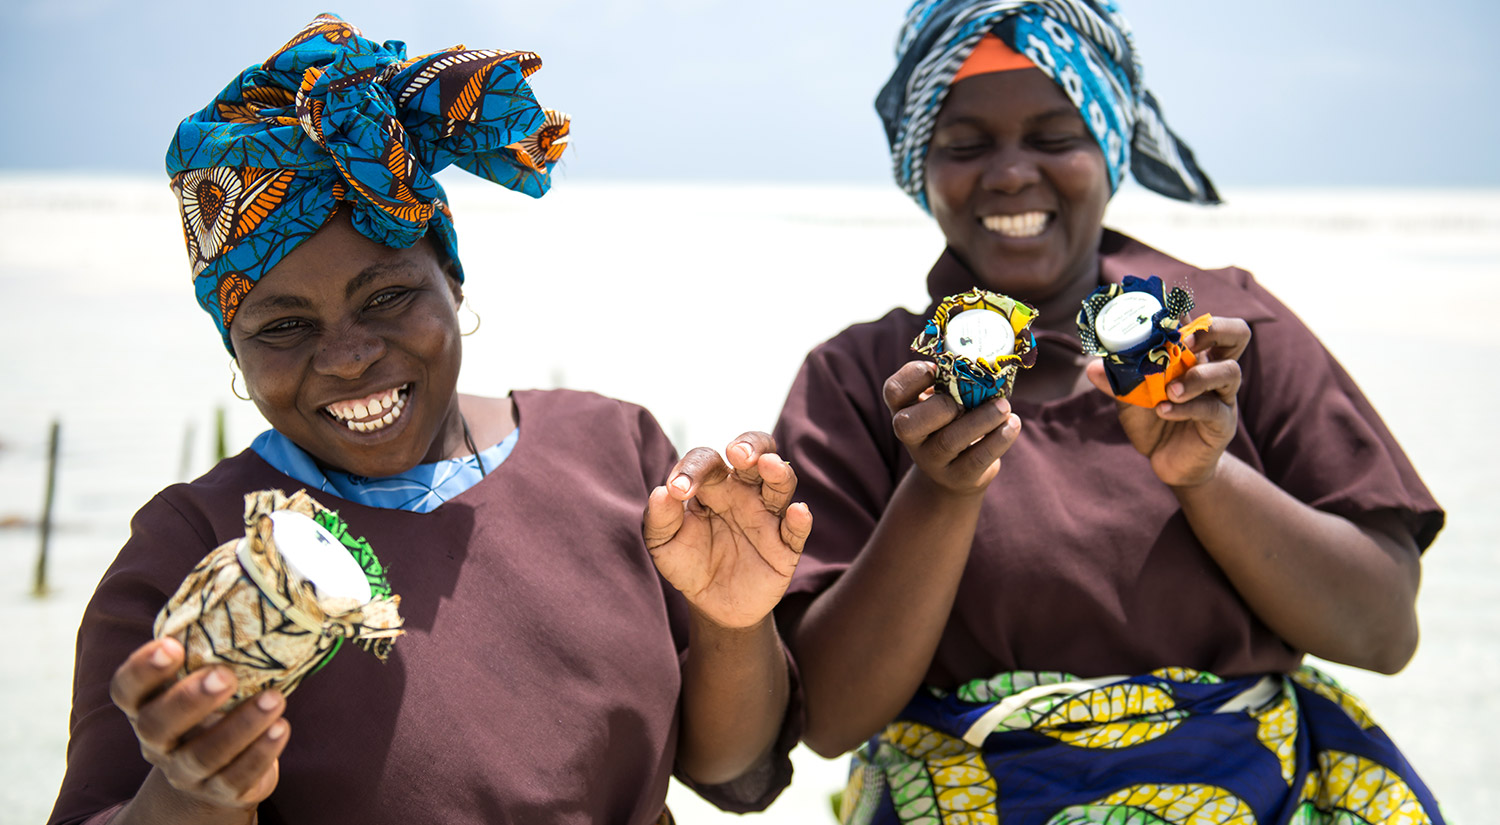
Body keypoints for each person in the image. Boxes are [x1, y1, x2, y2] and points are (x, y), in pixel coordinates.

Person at [48, 15, 811, 825]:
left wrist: (737, 618)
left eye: (386, 296)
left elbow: (727, 761)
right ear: (234, 350)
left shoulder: (611, 451)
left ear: (451, 277)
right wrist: (192, 791)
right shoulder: (192, 545)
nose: (346, 356)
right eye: (283, 325)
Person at [772, 1, 1447, 822]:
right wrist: (943, 491)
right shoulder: (865, 381)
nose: (1011, 173)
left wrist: (1207, 476)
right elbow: (832, 717)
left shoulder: (1229, 339)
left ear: (1110, 145)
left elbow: (1384, 631)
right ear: (921, 165)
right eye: (966, 144)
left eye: (1056, 137)